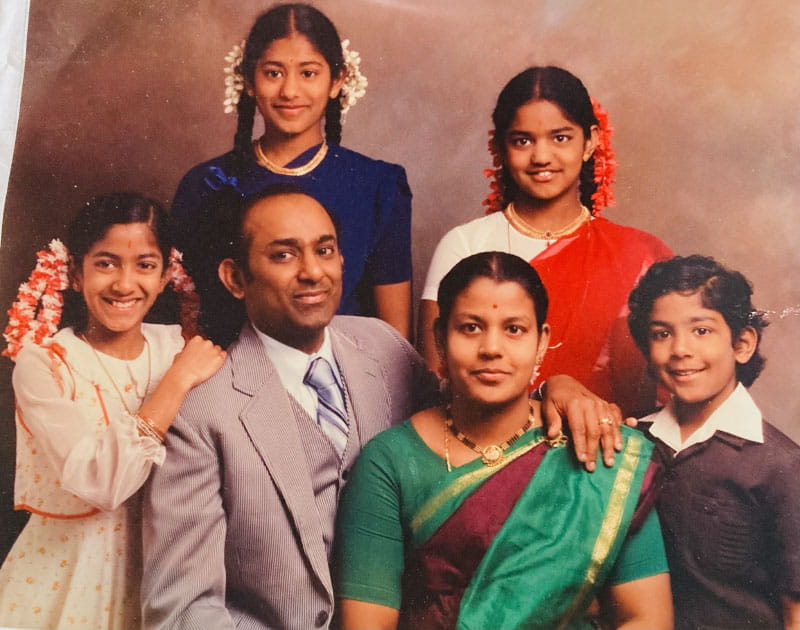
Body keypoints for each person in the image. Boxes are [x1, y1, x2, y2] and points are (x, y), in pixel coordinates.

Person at [141, 185, 633, 630]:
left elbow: (476, 410)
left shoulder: (380, 346)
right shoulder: (203, 408)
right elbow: (183, 607)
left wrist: (556, 387)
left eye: (325, 250)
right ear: (235, 278)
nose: (313, 271)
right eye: (283, 254)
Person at [336, 251, 673, 630]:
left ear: (541, 342)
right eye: (471, 327)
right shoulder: (391, 461)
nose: (491, 348)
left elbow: (647, 616)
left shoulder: (593, 445)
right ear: (440, 339)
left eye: (513, 329)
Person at [0, 193, 226, 630]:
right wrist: (177, 381)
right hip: (67, 574)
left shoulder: (178, 348)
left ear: (165, 276)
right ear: (76, 275)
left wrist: (181, 367)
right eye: (105, 263)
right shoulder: (45, 362)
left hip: (166, 577)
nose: (125, 284)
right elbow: (100, 482)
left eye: (144, 265)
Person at [419, 66, 672, 418]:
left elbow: (670, 385)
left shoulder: (641, 255)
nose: (541, 157)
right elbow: (436, 384)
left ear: (592, 142)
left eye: (561, 138)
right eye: (523, 140)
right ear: (500, 148)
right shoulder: (464, 244)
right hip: (488, 458)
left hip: (612, 456)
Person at [172, 2, 412, 345]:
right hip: (232, 378)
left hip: (346, 380)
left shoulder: (378, 185)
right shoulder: (205, 183)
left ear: (337, 81)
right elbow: (187, 316)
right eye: (273, 73)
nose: (290, 91)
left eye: (308, 73)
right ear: (249, 80)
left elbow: (395, 337)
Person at [627, 255, 800, 630]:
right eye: (662, 333)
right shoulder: (633, 441)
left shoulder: (782, 466)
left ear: (742, 344)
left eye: (701, 331)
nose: (680, 350)